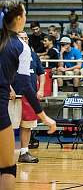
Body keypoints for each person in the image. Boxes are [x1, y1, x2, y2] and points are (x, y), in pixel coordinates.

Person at [0, 0, 56, 190]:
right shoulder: (20, 46)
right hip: (1, 108)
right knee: (7, 169)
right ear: (18, 18)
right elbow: (25, 85)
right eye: (24, 14)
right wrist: (45, 117)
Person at [15, 31, 45, 163]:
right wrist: (9, 89)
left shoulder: (33, 55)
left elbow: (41, 73)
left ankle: (24, 152)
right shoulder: (10, 54)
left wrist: (41, 89)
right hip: (13, 95)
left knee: (27, 125)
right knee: (7, 125)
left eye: (26, 38)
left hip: (30, 95)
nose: (25, 40)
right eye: (22, 38)